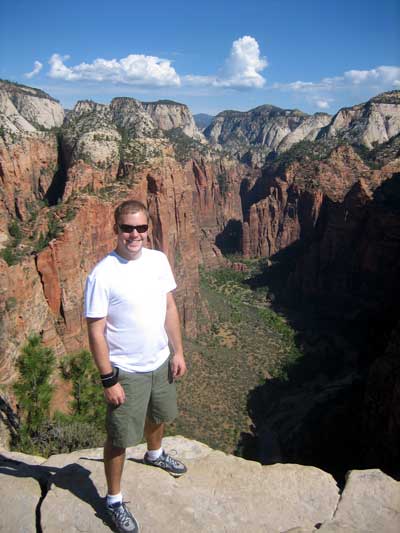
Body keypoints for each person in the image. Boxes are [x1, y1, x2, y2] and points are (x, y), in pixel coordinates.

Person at [84, 199, 187, 533]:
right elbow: (95, 332)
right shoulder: (102, 274)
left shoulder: (158, 261)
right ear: (116, 229)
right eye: (127, 228)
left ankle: (155, 454)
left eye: (141, 227)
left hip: (160, 360)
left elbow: (169, 308)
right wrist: (108, 380)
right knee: (119, 437)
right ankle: (113, 500)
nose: (134, 234)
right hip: (126, 371)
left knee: (158, 415)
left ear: (148, 228)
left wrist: (178, 351)